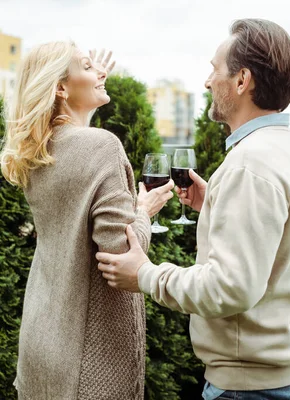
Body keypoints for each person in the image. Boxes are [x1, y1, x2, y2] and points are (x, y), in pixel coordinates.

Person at [96, 18, 290, 400]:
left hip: (249, 389)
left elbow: (230, 288)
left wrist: (145, 274)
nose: (208, 82)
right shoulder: (284, 148)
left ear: (242, 81)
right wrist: (218, 205)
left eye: (213, 70)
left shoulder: (249, 164)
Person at [0, 42, 174, 399]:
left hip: (41, 343)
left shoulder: (37, 152)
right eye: (87, 66)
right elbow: (119, 255)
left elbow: (77, 153)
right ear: (61, 87)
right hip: (89, 360)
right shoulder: (101, 148)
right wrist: (144, 211)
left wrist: (87, 82)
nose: (101, 72)